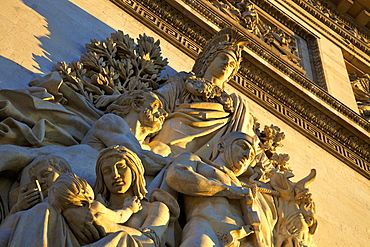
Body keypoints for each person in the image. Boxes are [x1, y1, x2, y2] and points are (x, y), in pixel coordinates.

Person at [152, 27, 255, 159]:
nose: (226, 64)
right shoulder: (184, 80)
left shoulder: (235, 106)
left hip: (204, 154)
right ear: (209, 60)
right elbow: (160, 99)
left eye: (231, 64)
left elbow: (247, 141)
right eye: (223, 57)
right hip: (174, 131)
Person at [165, 132, 276, 246]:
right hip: (205, 231)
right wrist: (228, 190)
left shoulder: (244, 187)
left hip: (243, 238)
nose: (247, 155)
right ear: (221, 146)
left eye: (252, 155)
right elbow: (176, 176)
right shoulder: (197, 162)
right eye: (243, 146)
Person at [63, 145, 170, 246]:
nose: (115, 174)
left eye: (120, 166)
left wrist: (106, 225)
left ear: (134, 170)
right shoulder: (95, 207)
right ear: (102, 179)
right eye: (107, 171)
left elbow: (150, 242)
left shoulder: (156, 208)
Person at [82, 90, 170, 176]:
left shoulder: (148, 148)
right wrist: (175, 163)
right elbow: (137, 158)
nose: (164, 113)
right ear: (136, 104)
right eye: (156, 105)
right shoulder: (110, 121)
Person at [8, 154, 72, 215]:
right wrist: (18, 208)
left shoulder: (78, 200)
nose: (40, 181)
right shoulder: (31, 209)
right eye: (35, 180)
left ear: (65, 172)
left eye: (45, 174)